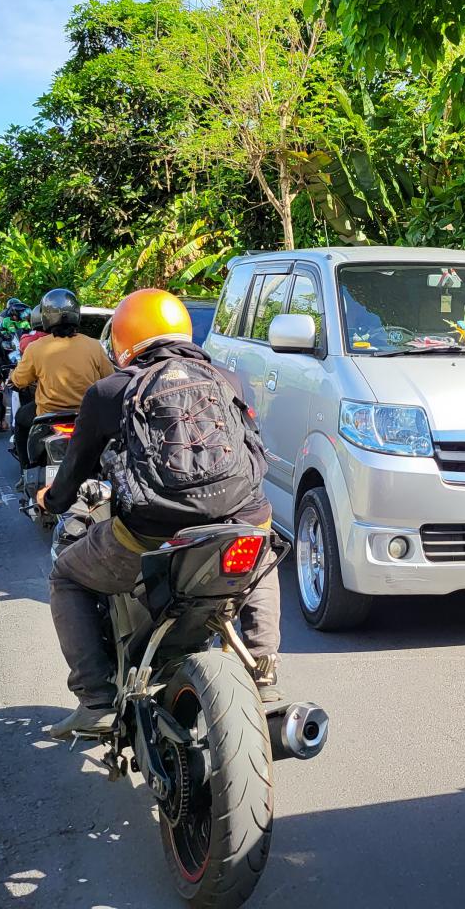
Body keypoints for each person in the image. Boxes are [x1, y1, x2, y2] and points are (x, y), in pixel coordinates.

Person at [39, 289, 280, 738]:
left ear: (125, 339)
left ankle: (95, 699)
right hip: (242, 519)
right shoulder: (229, 378)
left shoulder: (110, 391)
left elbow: (72, 474)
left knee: (67, 577)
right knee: (262, 561)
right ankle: (264, 678)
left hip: (153, 534)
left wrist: (50, 501)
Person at [9, 288, 112, 465]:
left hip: (47, 416)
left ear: (46, 317)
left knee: (20, 419)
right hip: (86, 414)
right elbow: (110, 380)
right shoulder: (94, 346)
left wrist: (13, 380)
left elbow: (19, 380)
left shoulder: (36, 348)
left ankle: (26, 469)